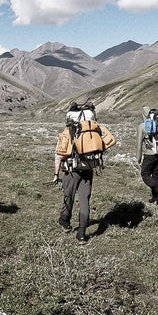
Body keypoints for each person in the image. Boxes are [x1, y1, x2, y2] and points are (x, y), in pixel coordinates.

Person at [54, 102, 114, 245]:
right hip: (88, 170)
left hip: (71, 171)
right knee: (84, 202)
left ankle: (65, 222)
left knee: (68, 197)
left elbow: (58, 154)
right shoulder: (94, 130)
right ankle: (81, 234)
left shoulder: (68, 131)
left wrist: (56, 174)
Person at [139, 107, 158, 205]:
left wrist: (138, 158)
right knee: (156, 175)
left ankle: (157, 189)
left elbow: (138, 145)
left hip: (149, 154)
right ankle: (156, 198)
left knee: (145, 174)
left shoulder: (142, 126)